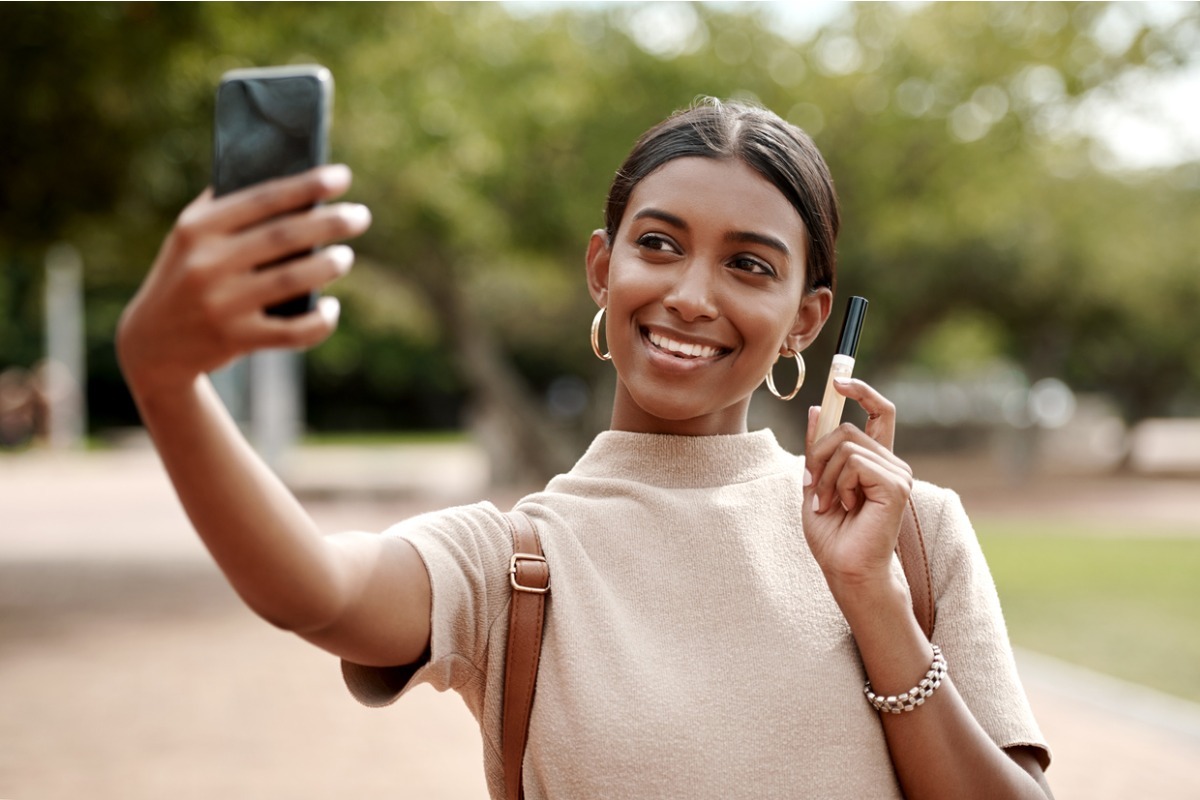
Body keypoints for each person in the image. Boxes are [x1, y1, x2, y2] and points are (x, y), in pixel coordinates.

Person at [117, 98, 1052, 798]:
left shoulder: (910, 534)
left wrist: (875, 602)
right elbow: (313, 590)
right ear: (603, 269)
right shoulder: (519, 562)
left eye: (748, 264)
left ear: (809, 320)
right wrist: (166, 382)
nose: (690, 293)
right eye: (660, 244)